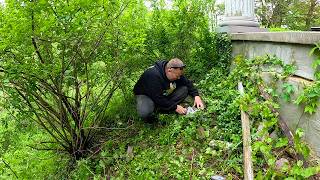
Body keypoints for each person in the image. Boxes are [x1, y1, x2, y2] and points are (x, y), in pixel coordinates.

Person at [133, 58, 204, 122]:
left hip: (162, 93)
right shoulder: (153, 75)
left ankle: (163, 108)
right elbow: (157, 97)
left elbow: (187, 83)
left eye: (180, 75)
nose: (179, 78)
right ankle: (157, 111)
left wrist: (196, 96)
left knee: (184, 89)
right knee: (145, 112)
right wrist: (175, 107)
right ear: (169, 70)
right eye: (177, 76)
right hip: (146, 94)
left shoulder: (176, 70)